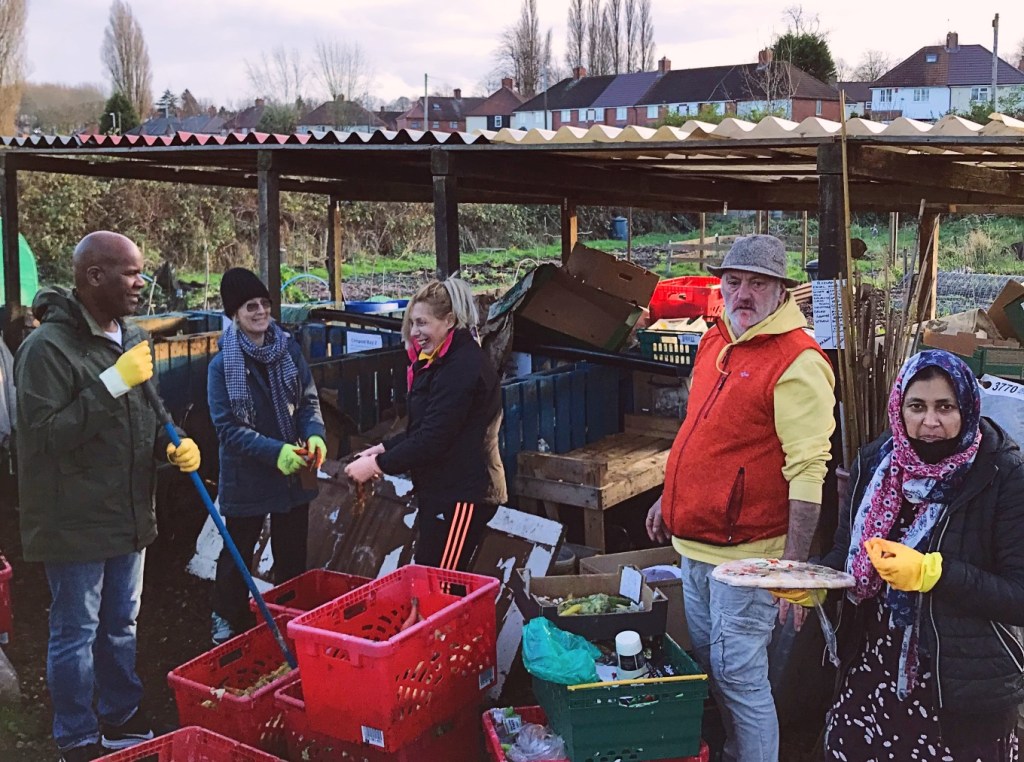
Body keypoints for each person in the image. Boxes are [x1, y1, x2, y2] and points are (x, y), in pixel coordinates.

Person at [645, 234, 836, 762]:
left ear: (781, 291)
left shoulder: (798, 361)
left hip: (750, 554)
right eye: (734, 281)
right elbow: (700, 432)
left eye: (758, 283)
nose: (743, 293)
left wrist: (792, 567)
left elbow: (807, 469)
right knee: (715, 669)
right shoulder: (716, 340)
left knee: (741, 678)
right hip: (697, 546)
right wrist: (670, 496)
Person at [14, 231, 201, 762]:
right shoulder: (45, 350)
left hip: (127, 511)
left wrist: (173, 445)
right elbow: (45, 436)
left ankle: (120, 714)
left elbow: (146, 412)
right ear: (93, 276)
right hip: (73, 518)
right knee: (76, 631)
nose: (142, 283)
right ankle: (76, 735)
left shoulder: (129, 336)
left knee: (122, 623)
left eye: (140, 271)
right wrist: (111, 383)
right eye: (130, 273)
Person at [814, 350, 1023, 760]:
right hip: (872, 668)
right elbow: (845, 553)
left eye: (945, 406)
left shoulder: (1001, 474)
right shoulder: (876, 463)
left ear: (967, 406)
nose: (930, 421)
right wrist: (816, 584)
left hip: (959, 686)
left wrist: (935, 574)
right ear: (899, 407)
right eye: (917, 406)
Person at [345, 277, 506, 570]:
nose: (415, 332)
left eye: (422, 323)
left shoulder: (461, 367)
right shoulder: (438, 362)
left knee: (442, 579)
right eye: (412, 323)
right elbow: (423, 428)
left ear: (449, 321)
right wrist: (382, 448)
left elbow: (434, 438)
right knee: (431, 574)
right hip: (442, 489)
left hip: (464, 494)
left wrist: (377, 465)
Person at [207, 267, 326, 645]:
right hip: (250, 474)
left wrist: (315, 434)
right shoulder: (221, 366)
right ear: (234, 315)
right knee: (237, 553)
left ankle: (291, 621)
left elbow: (307, 400)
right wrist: (275, 453)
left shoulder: (288, 350)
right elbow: (227, 429)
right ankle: (227, 618)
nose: (260, 312)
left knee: (292, 553)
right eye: (249, 306)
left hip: (294, 472)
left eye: (264, 304)